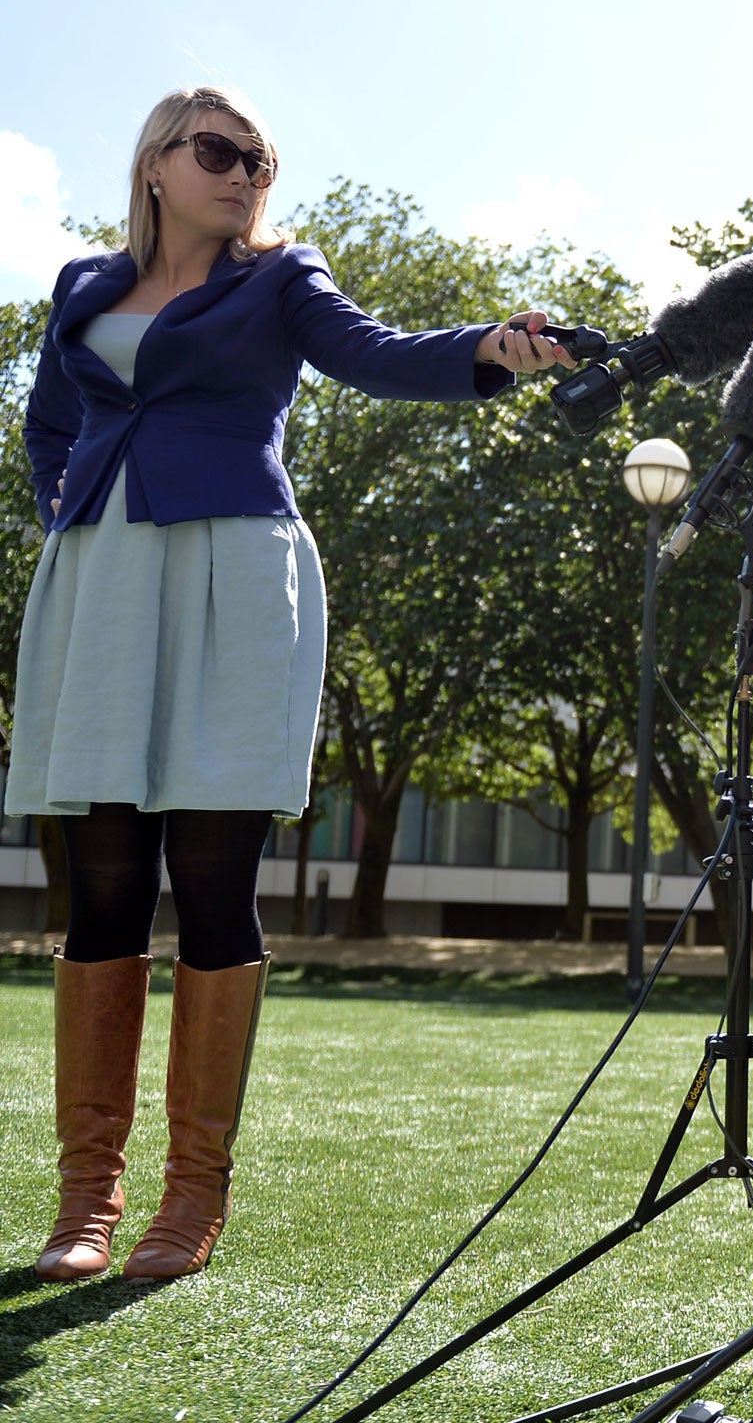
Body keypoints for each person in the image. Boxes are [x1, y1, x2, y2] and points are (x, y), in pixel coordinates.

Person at [10, 84, 570, 1283]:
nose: (245, 173)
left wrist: (487, 348)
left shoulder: (283, 279)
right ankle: (86, 1202)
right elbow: (46, 424)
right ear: (156, 163)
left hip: (235, 576)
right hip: (101, 581)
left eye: (260, 159)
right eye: (218, 152)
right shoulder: (80, 288)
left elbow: (375, 354)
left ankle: (188, 1202)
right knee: (107, 876)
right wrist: (67, 507)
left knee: (211, 873)